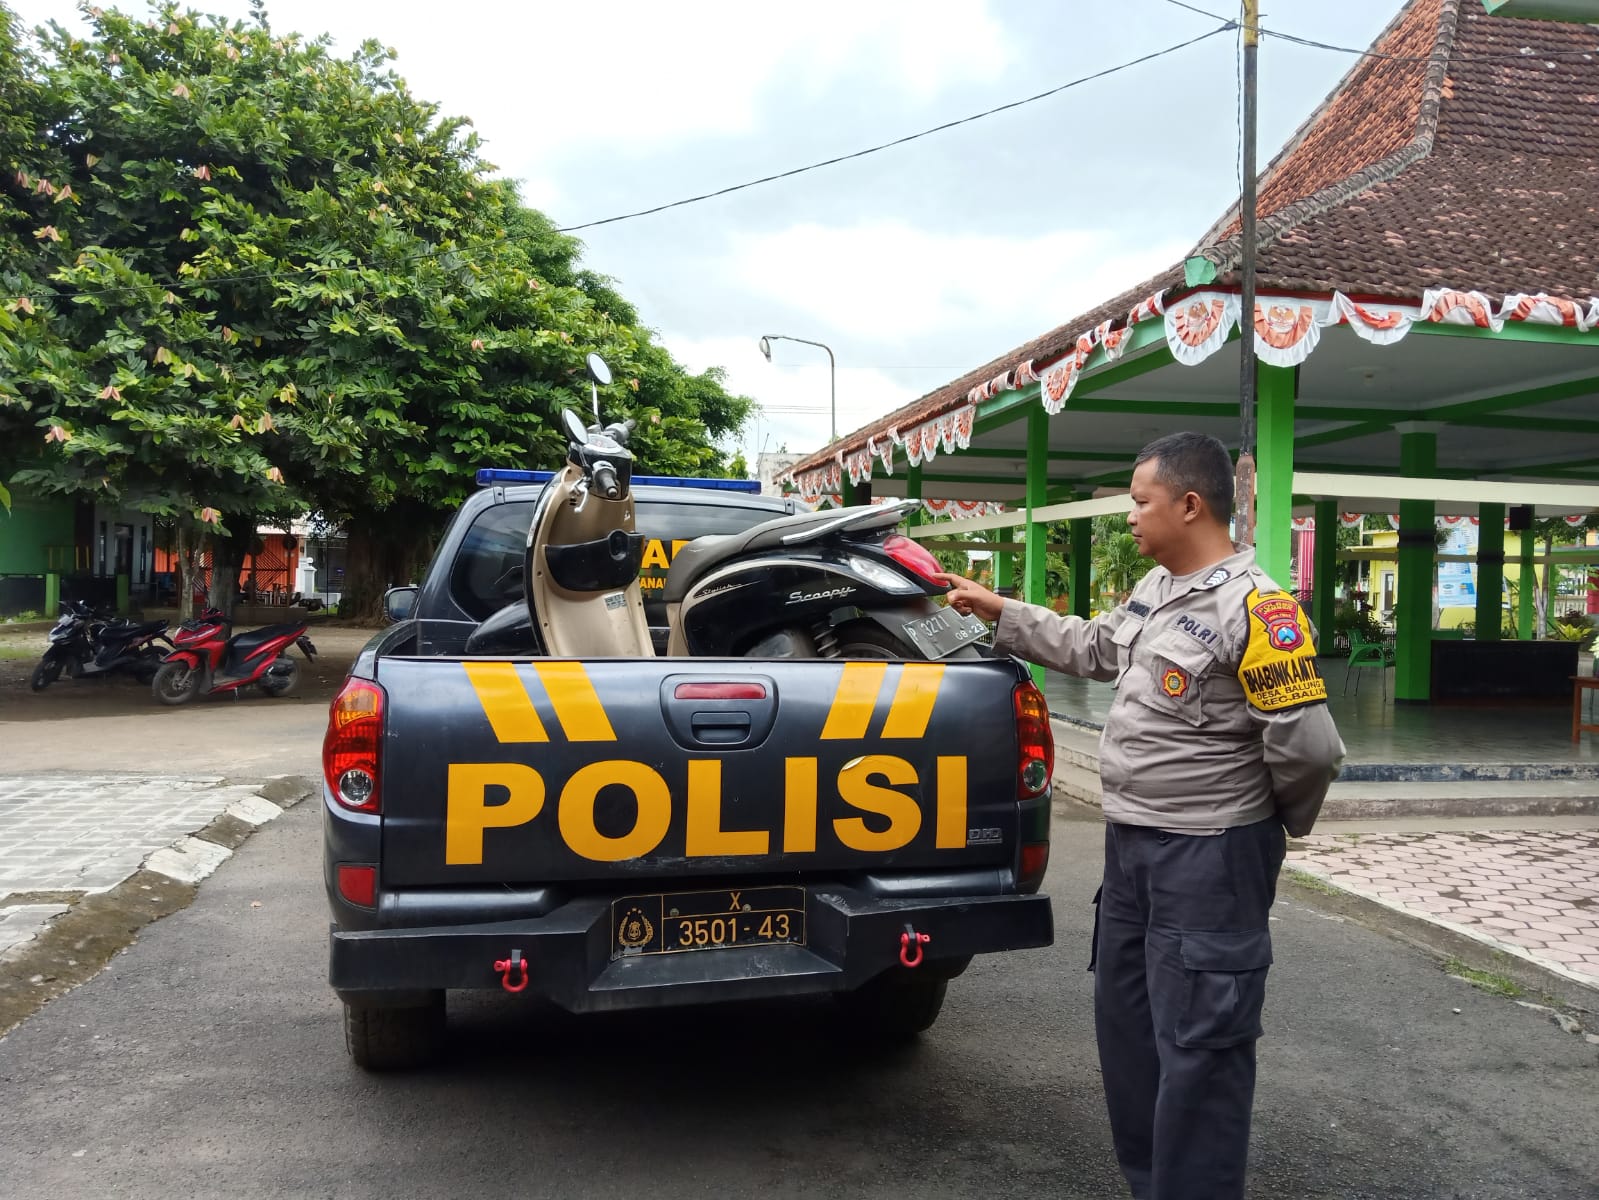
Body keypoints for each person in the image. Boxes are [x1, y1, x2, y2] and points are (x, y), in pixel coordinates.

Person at [936, 431, 1345, 1200]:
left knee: (1200, 1047)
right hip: (1132, 856)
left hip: (1209, 858)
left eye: (1140, 502)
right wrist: (999, 611)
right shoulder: (1156, 592)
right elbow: (1095, 647)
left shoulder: (1258, 610)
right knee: (1128, 1034)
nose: (1130, 517)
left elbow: (1309, 749)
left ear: (1188, 505)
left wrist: (1255, 826)